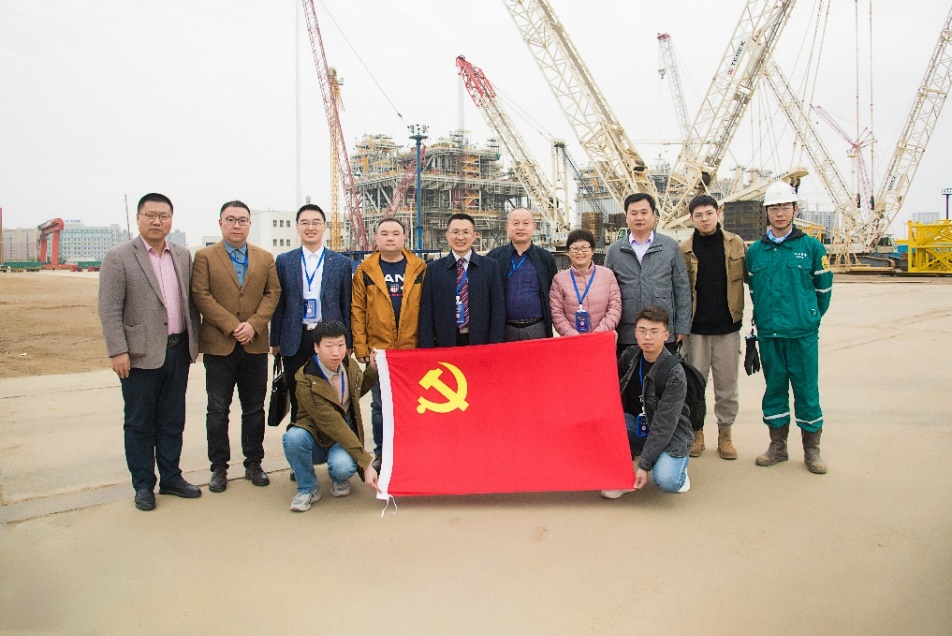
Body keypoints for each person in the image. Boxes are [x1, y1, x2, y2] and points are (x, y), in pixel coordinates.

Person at [98, 193, 202, 511]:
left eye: (164, 216)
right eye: (151, 215)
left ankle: (171, 477)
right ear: (139, 218)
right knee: (140, 422)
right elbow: (109, 309)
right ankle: (143, 484)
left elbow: (190, 303)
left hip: (178, 351)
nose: (157, 221)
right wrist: (118, 351)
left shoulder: (182, 255)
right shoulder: (119, 257)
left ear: (171, 219)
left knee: (172, 420)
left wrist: (194, 343)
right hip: (139, 355)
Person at [191, 200, 281, 493]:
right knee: (218, 409)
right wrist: (232, 326)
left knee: (254, 409)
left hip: (254, 345)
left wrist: (253, 325)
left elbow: (272, 293)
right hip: (220, 346)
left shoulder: (264, 258)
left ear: (249, 224)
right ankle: (218, 467)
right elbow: (201, 295)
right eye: (230, 219)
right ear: (220, 223)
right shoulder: (205, 257)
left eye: (242, 220)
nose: (236, 225)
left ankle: (254, 462)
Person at [747, 181, 833, 474]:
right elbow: (754, 290)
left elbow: (823, 290)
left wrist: (809, 317)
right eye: (774, 208)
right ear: (766, 212)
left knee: (807, 391)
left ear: (795, 209)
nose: (779, 213)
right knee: (774, 390)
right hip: (770, 335)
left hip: (802, 335)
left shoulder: (811, 247)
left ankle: (812, 450)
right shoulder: (756, 251)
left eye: (784, 207)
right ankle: (777, 446)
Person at [282, 320, 379, 512]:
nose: (336, 352)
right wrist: (367, 462)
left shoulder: (349, 365)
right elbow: (332, 422)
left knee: (342, 467)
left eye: (340, 345)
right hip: (316, 438)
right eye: (329, 346)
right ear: (316, 347)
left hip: (340, 439)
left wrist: (373, 369)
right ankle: (307, 488)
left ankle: (338, 479)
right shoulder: (305, 379)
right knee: (293, 437)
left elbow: (357, 390)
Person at [352, 217, 426, 463]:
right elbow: (358, 310)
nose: (390, 238)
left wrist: (426, 346)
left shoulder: (419, 269)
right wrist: (362, 348)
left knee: (413, 405)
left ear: (404, 237)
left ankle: (410, 453)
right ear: (376, 238)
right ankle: (382, 454)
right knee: (380, 406)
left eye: (395, 233)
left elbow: (428, 309)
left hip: (411, 351)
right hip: (380, 353)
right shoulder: (365, 271)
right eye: (384, 234)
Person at [679, 195, 747, 460]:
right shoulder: (684, 249)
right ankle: (697, 433)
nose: (704, 219)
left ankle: (725, 433)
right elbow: (679, 290)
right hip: (696, 330)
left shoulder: (736, 244)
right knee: (695, 387)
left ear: (719, 214)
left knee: (727, 386)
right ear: (691, 219)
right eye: (698, 215)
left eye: (709, 213)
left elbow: (753, 278)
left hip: (728, 327)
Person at [270, 203, 352, 423]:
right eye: (305, 223)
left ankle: (330, 438)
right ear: (297, 227)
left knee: (332, 396)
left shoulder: (341, 263)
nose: (310, 227)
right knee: (299, 396)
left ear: (324, 226)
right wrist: (275, 340)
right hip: (295, 337)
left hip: (330, 339)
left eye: (316, 223)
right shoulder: (284, 261)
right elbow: (279, 303)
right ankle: (300, 437)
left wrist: (348, 342)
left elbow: (346, 304)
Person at [602, 306, 693, 499]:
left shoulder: (674, 372)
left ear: (666, 335)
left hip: (671, 434)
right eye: (642, 331)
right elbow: (604, 380)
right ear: (635, 333)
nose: (647, 337)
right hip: (639, 426)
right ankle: (622, 478)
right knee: (609, 422)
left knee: (667, 481)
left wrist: (643, 466)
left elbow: (664, 425)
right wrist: (606, 347)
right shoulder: (630, 357)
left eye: (654, 331)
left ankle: (678, 469)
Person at [605, 192, 691, 354]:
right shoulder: (615, 251)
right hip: (627, 334)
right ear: (626, 217)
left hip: (662, 331)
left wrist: (683, 326)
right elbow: (607, 293)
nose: (639, 217)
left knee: (663, 370)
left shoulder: (670, 247)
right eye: (634, 213)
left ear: (654, 215)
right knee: (628, 370)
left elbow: (681, 288)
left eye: (644, 212)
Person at [418, 212, 505, 347]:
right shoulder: (434, 269)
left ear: (474, 235)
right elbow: (426, 313)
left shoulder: (490, 267)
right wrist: (427, 347)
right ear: (447, 235)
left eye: (465, 232)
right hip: (445, 343)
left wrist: (495, 345)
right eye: (455, 232)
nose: (460, 237)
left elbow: (497, 310)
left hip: (480, 342)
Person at [486, 207, 558, 341]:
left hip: (537, 328)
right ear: (507, 227)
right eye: (515, 223)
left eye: (526, 223)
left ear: (534, 227)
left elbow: (553, 293)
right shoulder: (494, 257)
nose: (520, 228)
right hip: (504, 330)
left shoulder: (546, 258)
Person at [549, 228, 621, 336]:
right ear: (568, 252)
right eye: (575, 248)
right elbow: (556, 313)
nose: (580, 252)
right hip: (573, 341)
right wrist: (574, 336)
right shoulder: (559, 280)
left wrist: (598, 334)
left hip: (602, 338)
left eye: (584, 248)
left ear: (592, 250)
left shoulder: (607, 275)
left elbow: (615, 307)